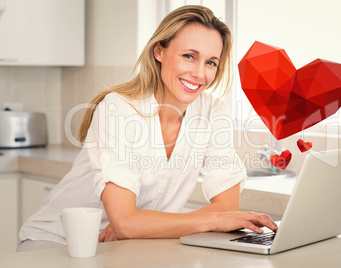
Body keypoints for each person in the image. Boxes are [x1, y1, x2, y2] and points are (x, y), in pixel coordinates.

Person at [18, 5, 277, 251]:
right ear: (159, 52)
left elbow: (228, 207)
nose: (200, 73)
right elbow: (126, 222)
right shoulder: (118, 109)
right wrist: (215, 220)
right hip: (58, 243)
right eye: (189, 56)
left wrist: (139, 227)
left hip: (134, 246)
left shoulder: (212, 112)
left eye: (211, 62)